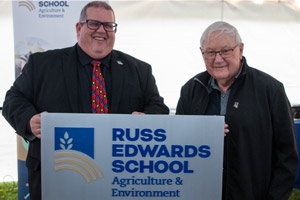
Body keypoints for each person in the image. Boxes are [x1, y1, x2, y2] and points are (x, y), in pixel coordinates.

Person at [2, 1, 169, 199]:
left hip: (119, 175)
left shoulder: (139, 70)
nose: (102, 30)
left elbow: (158, 106)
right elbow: (13, 100)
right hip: (56, 172)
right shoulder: (43, 64)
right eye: (93, 23)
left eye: (108, 25)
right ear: (78, 27)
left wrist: (148, 118)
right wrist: (29, 120)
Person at [176, 21, 298, 200]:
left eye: (225, 50)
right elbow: (179, 145)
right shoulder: (191, 90)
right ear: (201, 53)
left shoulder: (270, 90)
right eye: (210, 52)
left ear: (240, 50)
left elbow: (287, 155)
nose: (218, 59)